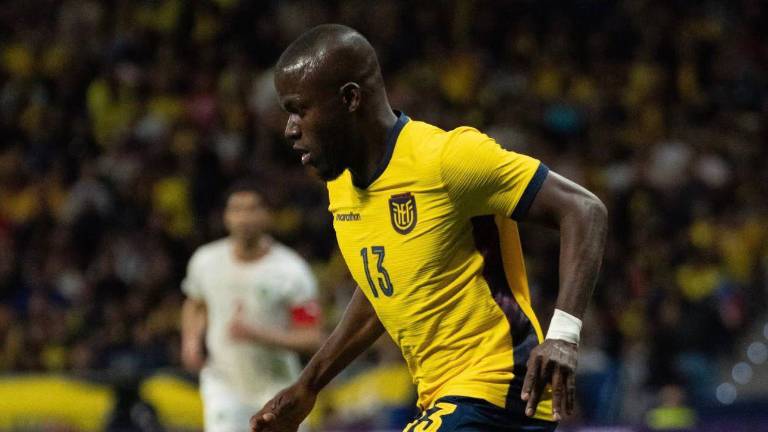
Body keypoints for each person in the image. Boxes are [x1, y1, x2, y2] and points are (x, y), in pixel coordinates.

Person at [251, 24, 608, 432]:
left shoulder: (446, 159)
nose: (290, 128)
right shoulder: (341, 186)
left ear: (350, 98)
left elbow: (584, 209)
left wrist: (563, 335)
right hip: (444, 400)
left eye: (299, 109)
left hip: (501, 388)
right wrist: (308, 386)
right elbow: (383, 293)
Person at [181, 180, 323, 432]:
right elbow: (195, 303)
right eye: (236, 209)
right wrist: (191, 341)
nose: (244, 217)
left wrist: (258, 335)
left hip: (278, 388)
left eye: (252, 209)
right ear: (226, 216)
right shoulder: (205, 261)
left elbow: (312, 338)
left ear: (267, 215)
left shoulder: (291, 271)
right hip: (223, 386)